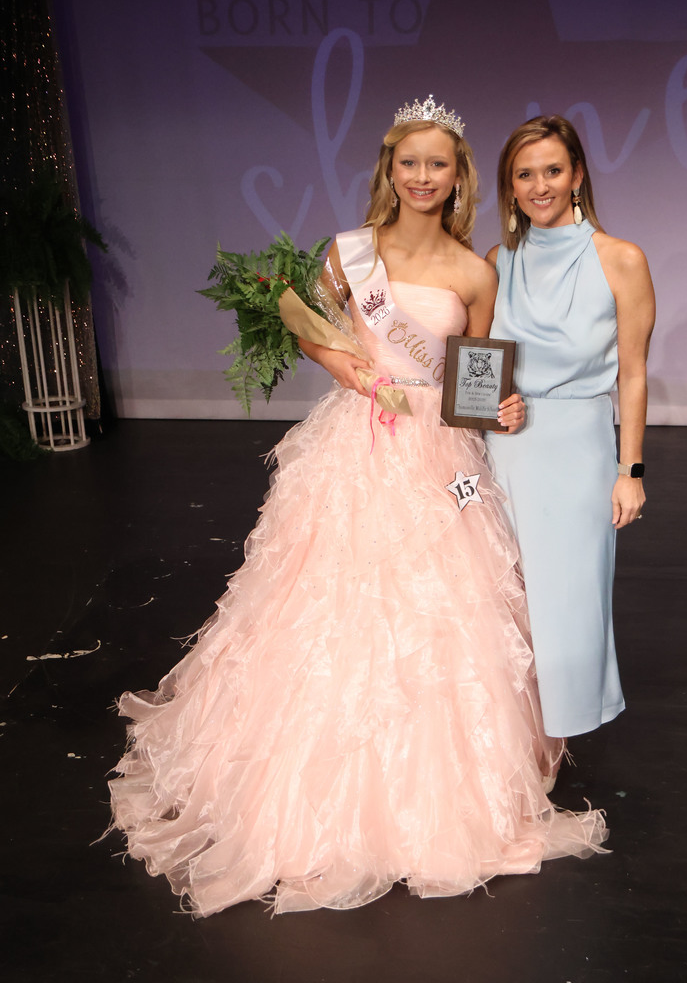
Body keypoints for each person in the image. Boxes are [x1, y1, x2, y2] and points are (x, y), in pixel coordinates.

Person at [106, 98, 607, 918]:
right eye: (407, 162)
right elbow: (308, 327)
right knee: (325, 601)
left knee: (447, 608)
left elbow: (471, 385)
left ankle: (440, 793)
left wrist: (501, 408)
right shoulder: (347, 253)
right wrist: (351, 372)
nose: (421, 177)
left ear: (457, 176)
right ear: (389, 170)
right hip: (356, 443)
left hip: (440, 460)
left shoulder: (473, 272)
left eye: (436, 164)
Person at [485, 115, 656, 747]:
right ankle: (511, 738)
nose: (539, 186)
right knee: (505, 596)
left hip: (580, 447)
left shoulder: (622, 260)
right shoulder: (497, 262)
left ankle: (559, 736)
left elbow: (633, 375)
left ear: (577, 174)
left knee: (570, 598)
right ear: (510, 186)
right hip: (504, 451)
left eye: (552, 170)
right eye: (524, 174)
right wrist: (494, 403)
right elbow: (480, 365)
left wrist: (629, 470)